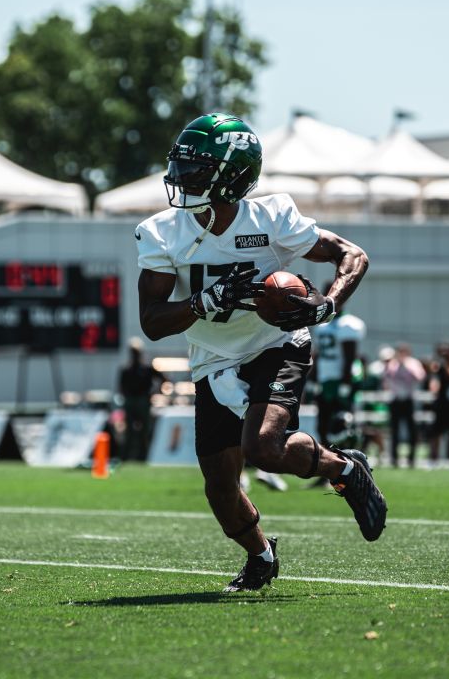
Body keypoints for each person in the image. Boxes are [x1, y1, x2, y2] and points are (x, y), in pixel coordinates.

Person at [135, 113, 387, 592]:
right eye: (180, 166)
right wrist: (202, 302)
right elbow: (151, 322)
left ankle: (345, 468)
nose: (181, 178)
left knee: (263, 448)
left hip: (276, 343)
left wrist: (328, 304)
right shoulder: (163, 231)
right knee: (220, 488)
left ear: (232, 176)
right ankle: (262, 556)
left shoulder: (271, 217)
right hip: (213, 358)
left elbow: (352, 255)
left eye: (196, 168)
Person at [307, 308, 366, 486]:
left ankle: (350, 470)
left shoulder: (348, 324)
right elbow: (317, 355)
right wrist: (314, 379)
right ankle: (326, 471)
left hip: (339, 381)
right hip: (326, 383)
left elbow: (350, 357)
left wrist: (346, 384)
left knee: (342, 428)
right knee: (323, 427)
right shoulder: (323, 325)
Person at [117, 337, 165, 461]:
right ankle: (126, 458)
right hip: (131, 402)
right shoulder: (126, 369)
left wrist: (155, 392)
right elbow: (120, 387)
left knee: (144, 432)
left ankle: (143, 458)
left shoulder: (147, 369)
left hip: (143, 401)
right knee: (129, 432)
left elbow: (164, 379)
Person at [383, 343, 426, 468]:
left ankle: (411, 459)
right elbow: (386, 377)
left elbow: (420, 377)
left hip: (408, 399)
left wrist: (406, 367)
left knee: (412, 430)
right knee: (394, 430)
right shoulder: (392, 364)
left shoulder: (413, 363)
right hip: (396, 400)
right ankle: (394, 458)